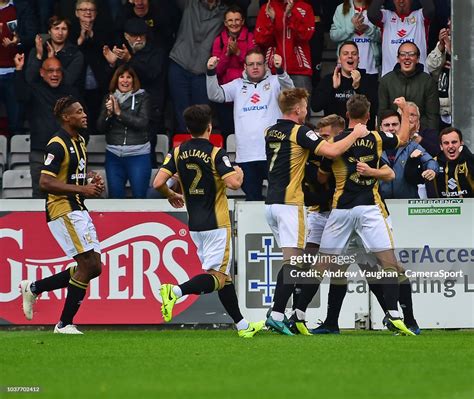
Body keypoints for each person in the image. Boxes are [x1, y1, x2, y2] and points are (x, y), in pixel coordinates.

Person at [293, 94, 417, 336]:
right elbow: (403, 137)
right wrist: (402, 110)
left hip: (341, 211)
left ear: (347, 115)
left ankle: (298, 315)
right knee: (389, 264)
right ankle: (393, 315)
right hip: (369, 208)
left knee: (321, 266)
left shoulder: (336, 143)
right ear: (369, 116)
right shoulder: (376, 138)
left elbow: (322, 176)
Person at [263, 88, 371, 335]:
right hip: (290, 204)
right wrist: (355, 134)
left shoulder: (270, 131)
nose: (306, 110)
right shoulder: (299, 131)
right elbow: (332, 152)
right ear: (299, 109)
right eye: (305, 106)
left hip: (270, 204)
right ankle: (278, 314)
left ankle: (279, 313)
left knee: (295, 262)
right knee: (296, 262)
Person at [153, 104, 265, 338]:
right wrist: (239, 173)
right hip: (217, 223)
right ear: (209, 127)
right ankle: (175, 291)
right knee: (218, 277)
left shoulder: (177, 151)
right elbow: (234, 183)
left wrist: (171, 194)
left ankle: (242, 326)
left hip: (195, 224)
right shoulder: (216, 152)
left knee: (223, 278)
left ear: (188, 128)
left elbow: (157, 182)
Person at [19, 96, 105, 334]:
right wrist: (82, 189)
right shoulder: (57, 144)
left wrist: (90, 180)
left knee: (94, 267)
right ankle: (64, 324)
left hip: (78, 207)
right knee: (88, 265)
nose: (84, 114)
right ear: (66, 117)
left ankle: (34, 288)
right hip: (62, 209)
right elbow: (45, 182)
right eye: (79, 111)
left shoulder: (79, 141)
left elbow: (72, 175)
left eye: (83, 109)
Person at [206, 48, 294, 201]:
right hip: (246, 155)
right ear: (244, 67)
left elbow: (291, 92)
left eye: (259, 64)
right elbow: (215, 95)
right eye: (251, 64)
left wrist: (280, 71)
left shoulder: (274, 81)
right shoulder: (237, 85)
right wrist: (211, 72)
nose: (255, 67)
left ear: (266, 66)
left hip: (272, 152)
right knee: (252, 199)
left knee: (278, 198)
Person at [14, 54, 80, 198]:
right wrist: (19, 70)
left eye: (58, 70)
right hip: (40, 153)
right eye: (50, 71)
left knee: (68, 197)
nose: (55, 74)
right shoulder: (34, 90)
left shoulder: (71, 93)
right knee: (40, 196)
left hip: (67, 154)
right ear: (42, 73)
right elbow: (20, 96)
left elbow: (82, 122)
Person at [96, 64, 151, 199]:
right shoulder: (109, 98)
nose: (125, 80)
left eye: (128, 77)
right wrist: (108, 114)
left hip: (138, 154)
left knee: (139, 196)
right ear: (116, 79)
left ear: (133, 80)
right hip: (114, 155)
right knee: (115, 198)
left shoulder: (142, 97)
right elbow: (100, 127)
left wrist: (119, 112)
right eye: (121, 77)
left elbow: (142, 123)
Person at [254, 0, 315, 97]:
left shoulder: (305, 8)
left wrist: (290, 16)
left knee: (302, 108)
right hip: (274, 71)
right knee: (274, 110)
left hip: (299, 70)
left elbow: (306, 35)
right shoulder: (267, 9)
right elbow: (260, 40)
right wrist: (271, 21)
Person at [211, 5, 255, 138]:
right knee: (227, 133)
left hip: (247, 94)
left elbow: (254, 67)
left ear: (242, 21)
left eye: (237, 20)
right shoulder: (218, 41)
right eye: (230, 20)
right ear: (225, 23)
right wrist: (227, 54)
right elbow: (216, 70)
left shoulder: (250, 37)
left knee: (247, 131)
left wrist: (238, 52)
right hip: (226, 96)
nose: (234, 23)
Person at [378, 42, 440, 132]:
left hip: (420, 133)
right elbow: (382, 113)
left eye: (411, 54)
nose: (407, 58)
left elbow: (432, 116)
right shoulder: (386, 81)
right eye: (403, 54)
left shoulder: (428, 81)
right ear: (398, 59)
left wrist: (428, 139)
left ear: (418, 59)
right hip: (393, 134)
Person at [379, 109, 438, 199]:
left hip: (408, 203)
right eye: (387, 125)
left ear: (401, 126)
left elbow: (430, 160)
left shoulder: (411, 146)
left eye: (395, 124)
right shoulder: (374, 147)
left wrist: (431, 169)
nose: (391, 128)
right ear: (380, 128)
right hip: (381, 205)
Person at [368, 0, 435, 76]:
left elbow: (430, 10)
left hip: (419, 80)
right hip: (390, 80)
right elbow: (372, 14)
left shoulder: (420, 16)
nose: (401, 1)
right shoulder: (387, 16)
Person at [330, 0, 381, 85]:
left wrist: (367, 29)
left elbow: (382, 37)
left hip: (371, 67)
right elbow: (333, 35)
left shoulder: (375, 9)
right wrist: (351, 27)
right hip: (346, 69)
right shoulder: (341, 8)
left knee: (370, 97)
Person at [26, 16, 84, 87]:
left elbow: (68, 81)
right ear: (49, 31)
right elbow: (30, 79)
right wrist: (39, 56)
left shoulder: (76, 54)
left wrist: (53, 59)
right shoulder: (38, 50)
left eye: (64, 29)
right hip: (40, 94)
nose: (60, 33)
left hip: (65, 95)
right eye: (56, 28)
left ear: (68, 32)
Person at [426, 128, 474, 198]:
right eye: (446, 143)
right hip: (443, 208)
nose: (450, 146)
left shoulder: (469, 159)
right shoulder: (433, 162)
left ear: (461, 143)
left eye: (454, 142)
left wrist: (466, 152)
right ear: (441, 146)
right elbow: (411, 177)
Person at [426, 18, 452, 129]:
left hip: (463, 106)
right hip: (443, 107)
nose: (449, 24)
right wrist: (441, 47)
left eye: (452, 21)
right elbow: (430, 67)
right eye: (448, 21)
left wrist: (451, 50)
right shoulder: (446, 41)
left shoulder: (469, 43)